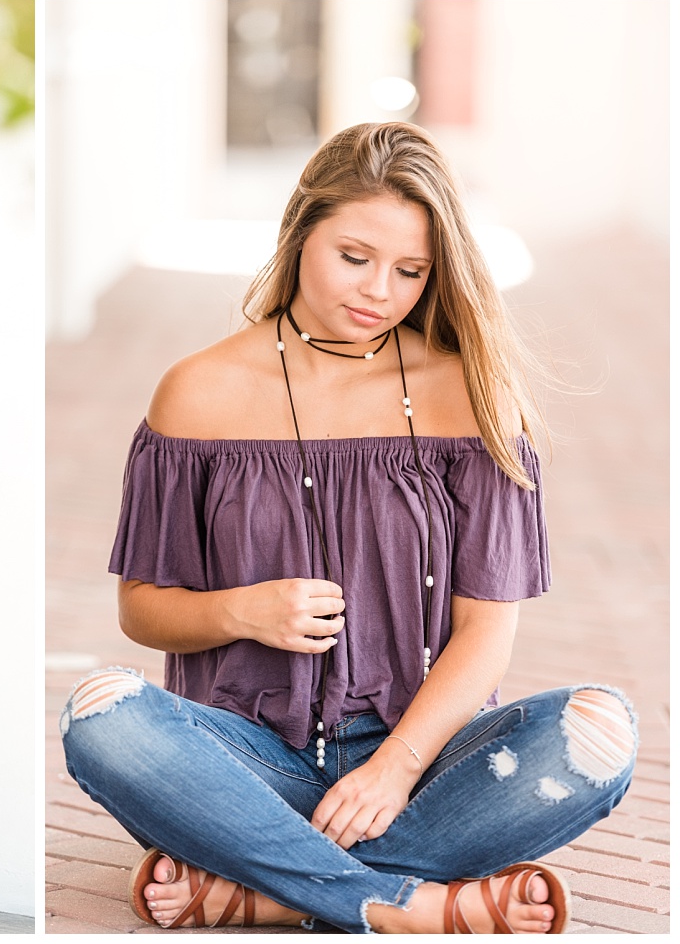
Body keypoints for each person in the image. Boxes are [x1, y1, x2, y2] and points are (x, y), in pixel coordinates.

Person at [59, 122, 636, 934]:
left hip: (424, 763)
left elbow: (486, 634)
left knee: (601, 729)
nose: (377, 291)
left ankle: (260, 890)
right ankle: (412, 903)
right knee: (102, 716)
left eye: (410, 271)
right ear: (301, 233)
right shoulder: (197, 392)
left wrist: (394, 772)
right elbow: (143, 608)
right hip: (246, 767)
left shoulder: (469, 397)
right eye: (353, 256)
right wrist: (240, 611)